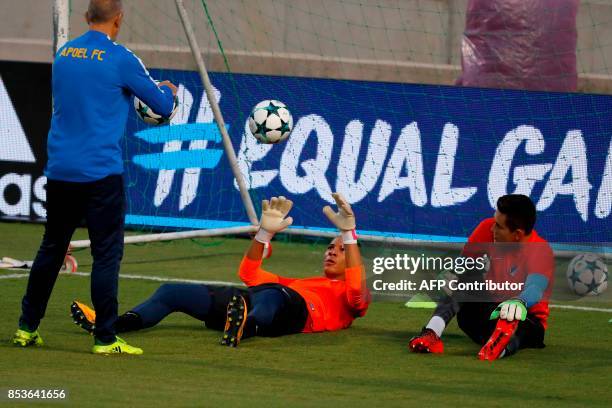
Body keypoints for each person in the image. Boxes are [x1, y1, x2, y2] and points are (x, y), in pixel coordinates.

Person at [12, 0, 178, 355]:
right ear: (119, 19)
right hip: (100, 173)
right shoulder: (121, 59)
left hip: (60, 169)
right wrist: (168, 92)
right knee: (106, 254)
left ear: (87, 17)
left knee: (52, 248)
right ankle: (105, 338)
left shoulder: (65, 54)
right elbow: (162, 106)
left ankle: (26, 327)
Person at [70, 194, 370, 347]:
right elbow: (250, 274)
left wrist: (349, 234)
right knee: (172, 292)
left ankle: (244, 327)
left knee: (274, 296)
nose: (332, 250)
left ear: (355, 259)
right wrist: (264, 234)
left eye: (340, 249)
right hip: (262, 300)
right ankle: (112, 325)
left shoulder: (351, 296)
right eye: (331, 246)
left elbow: (356, 293)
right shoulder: (300, 282)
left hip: (291, 312)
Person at [408, 194, 554, 360]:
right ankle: (432, 332)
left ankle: (501, 346)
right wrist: (447, 277)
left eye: (499, 226)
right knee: (464, 279)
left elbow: (535, 288)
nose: (493, 229)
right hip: (486, 313)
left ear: (517, 234)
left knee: (520, 326)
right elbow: (462, 266)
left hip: (527, 320)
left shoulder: (540, 250)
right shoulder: (487, 229)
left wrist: (519, 302)